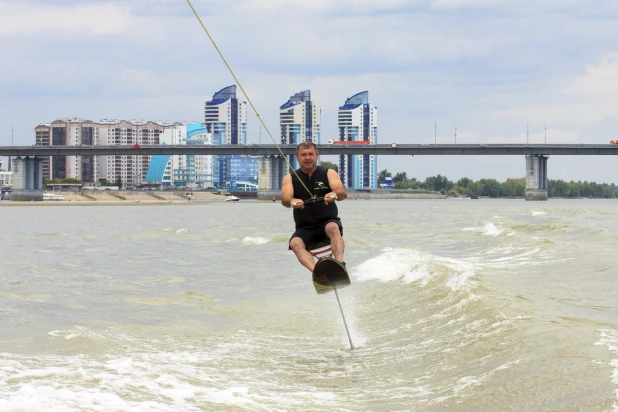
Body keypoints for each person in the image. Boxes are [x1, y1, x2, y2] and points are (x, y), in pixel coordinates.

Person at [281, 142, 347, 273]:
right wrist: (293, 201)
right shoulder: (290, 178)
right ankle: (318, 273)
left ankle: (339, 265)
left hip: (327, 222)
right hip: (304, 228)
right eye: (303, 155)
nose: (307, 158)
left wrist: (333, 195)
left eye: (310, 154)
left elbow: (342, 193)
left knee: (333, 228)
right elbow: (285, 199)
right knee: (295, 243)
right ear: (297, 157)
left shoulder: (329, 173)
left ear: (316, 155)